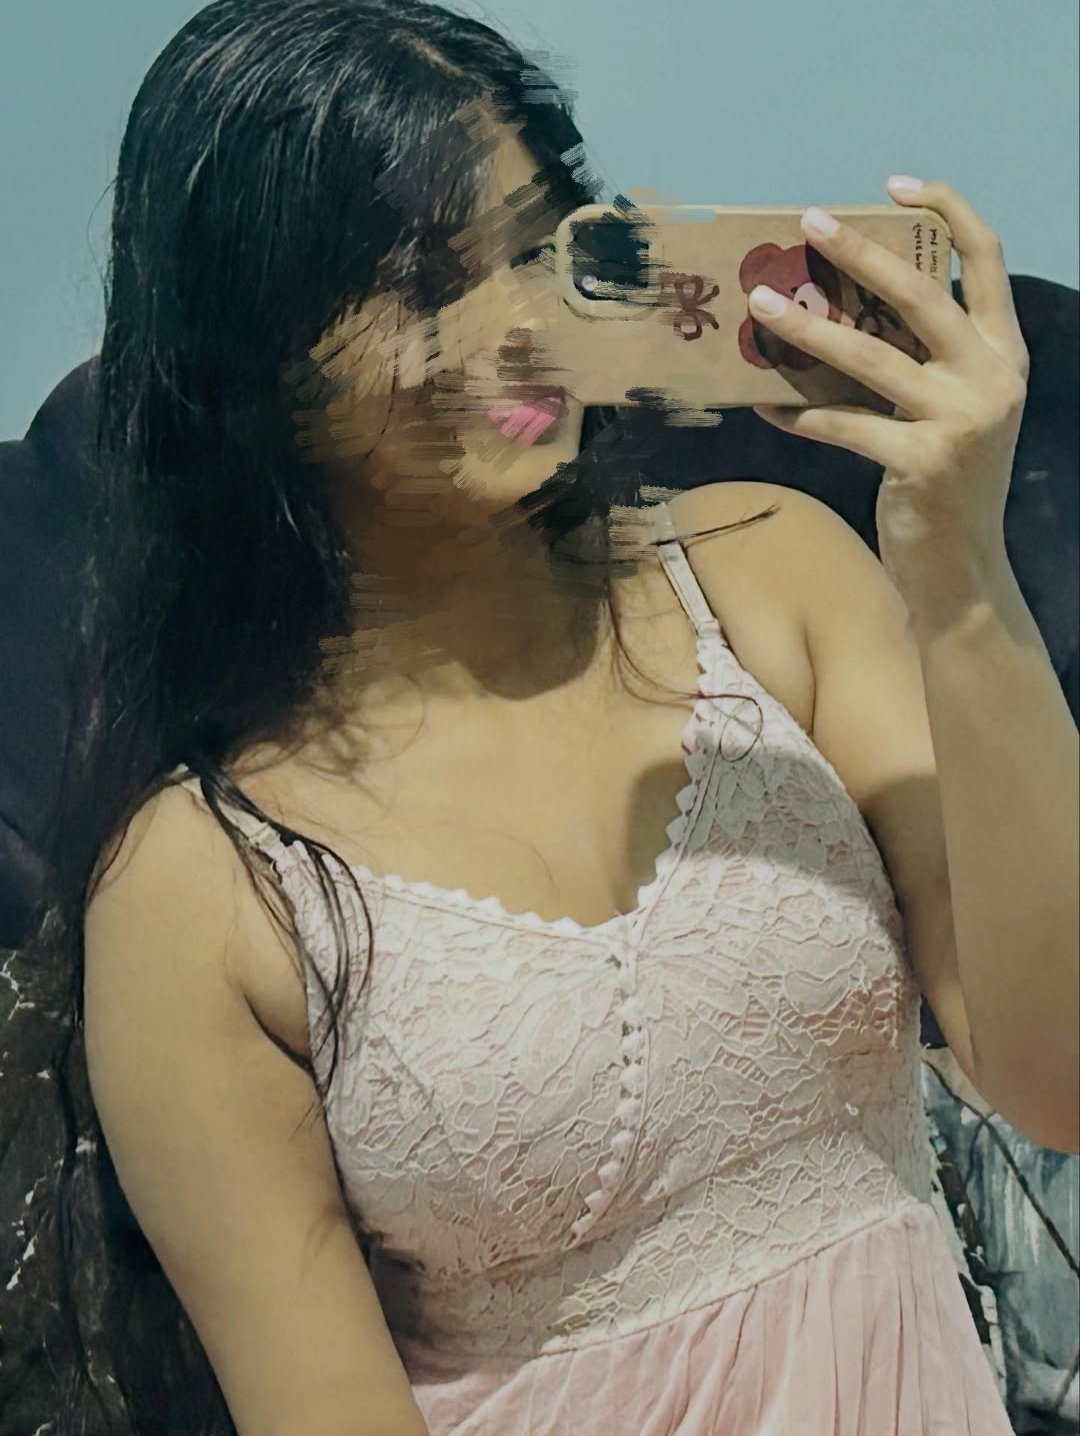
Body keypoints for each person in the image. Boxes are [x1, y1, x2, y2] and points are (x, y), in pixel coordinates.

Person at [5, 2, 1026, 1433]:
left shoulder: (771, 579)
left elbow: (1056, 1074)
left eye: (538, 244)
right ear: (249, 362)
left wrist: (962, 569)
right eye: (420, 284)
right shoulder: (201, 885)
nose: (519, 326)